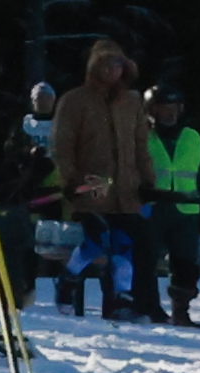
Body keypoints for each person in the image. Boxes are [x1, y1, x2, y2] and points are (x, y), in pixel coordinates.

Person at [53, 42, 150, 317]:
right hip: (92, 184)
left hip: (126, 187)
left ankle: (122, 295)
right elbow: (62, 144)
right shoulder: (75, 100)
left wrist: (147, 180)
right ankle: (69, 277)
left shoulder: (132, 102)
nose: (112, 70)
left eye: (117, 64)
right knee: (95, 240)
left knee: (123, 243)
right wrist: (70, 179)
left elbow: (141, 144)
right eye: (106, 65)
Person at [144, 72, 200, 328]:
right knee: (147, 259)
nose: (169, 114)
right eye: (163, 108)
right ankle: (150, 308)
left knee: (186, 264)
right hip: (153, 205)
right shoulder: (142, 136)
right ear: (151, 110)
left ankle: (181, 311)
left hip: (186, 207)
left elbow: (198, 170)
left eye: (173, 108)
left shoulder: (192, 136)